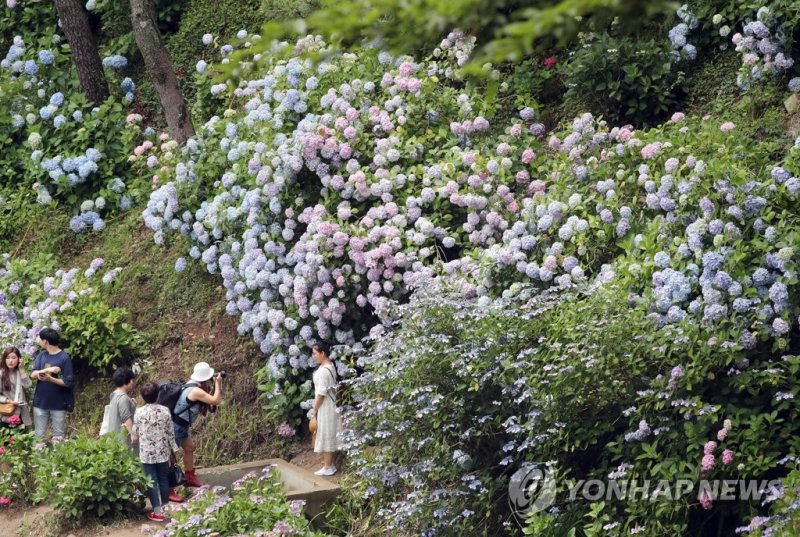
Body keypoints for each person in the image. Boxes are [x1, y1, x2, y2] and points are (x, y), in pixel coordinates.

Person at [168, 361, 223, 502]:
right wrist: (217, 384)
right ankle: (168, 490)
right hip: (176, 426)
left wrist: (217, 384)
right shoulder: (196, 390)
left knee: (189, 448)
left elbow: (209, 403)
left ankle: (189, 477)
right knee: (168, 457)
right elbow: (215, 401)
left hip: (181, 425)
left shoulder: (193, 384)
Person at [132, 381, 180, 523]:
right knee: (163, 479)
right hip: (162, 451)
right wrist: (174, 448)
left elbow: (135, 432)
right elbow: (170, 432)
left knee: (151, 481)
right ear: (158, 395)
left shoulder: (139, 412)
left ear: (142, 396)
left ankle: (157, 512)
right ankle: (166, 509)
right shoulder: (165, 410)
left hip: (146, 452)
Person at [29, 328, 74, 441]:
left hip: (58, 404)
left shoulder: (64, 358)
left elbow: (68, 382)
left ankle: (57, 458)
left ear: (46, 341)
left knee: (58, 437)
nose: (39, 342)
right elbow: (33, 374)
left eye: (40, 340)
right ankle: (39, 457)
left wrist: (51, 379)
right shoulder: (42, 355)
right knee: (39, 436)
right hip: (40, 402)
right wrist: (42, 372)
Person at [310, 341, 340, 476]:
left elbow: (321, 393)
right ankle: (331, 465)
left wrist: (314, 409)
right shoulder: (331, 366)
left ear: (323, 353)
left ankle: (327, 466)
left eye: (315, 353)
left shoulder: (323, 371)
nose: (313, 356)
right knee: (331, 433)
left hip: (325, 406)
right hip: (332, 405)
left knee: (326, 434)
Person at [103, 366, 137, 450]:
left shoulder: (114, 395)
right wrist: (133, 434)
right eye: (132, 380)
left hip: (115, 437)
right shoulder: (123, 398)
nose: (133, 383)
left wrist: (131, 404)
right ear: (126, 381)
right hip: (124, 439)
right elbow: (126, 417)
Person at [0, 346, 32, 427]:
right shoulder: (1, 374)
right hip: (5, 412)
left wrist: (22, 371)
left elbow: (28, 386)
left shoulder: (20, 373)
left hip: (20, 412)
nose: (10, 361)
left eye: (14, 358)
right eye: (8, 358)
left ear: (19, 359)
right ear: (4, 359)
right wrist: (8, 401)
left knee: (19, 438)